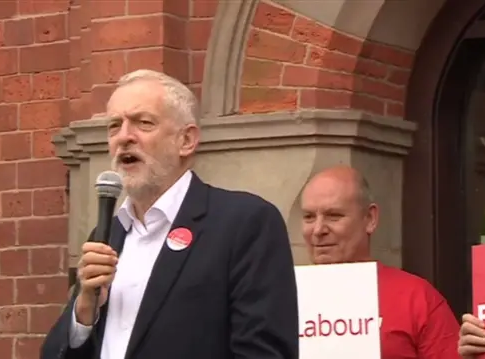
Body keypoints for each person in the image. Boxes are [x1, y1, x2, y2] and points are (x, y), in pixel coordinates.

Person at [40, 69, 299, 359]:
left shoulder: (243, 224)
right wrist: (85, 310)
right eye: (114, 126)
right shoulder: (108, 236)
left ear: (186, 141)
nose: (124, 137)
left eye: (143, 123)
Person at [300, 165, 461, 359]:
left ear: (370, 219)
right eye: (309, 217)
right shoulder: (281, 300)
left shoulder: (415, 298)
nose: (318, 230)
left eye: (334, 216)